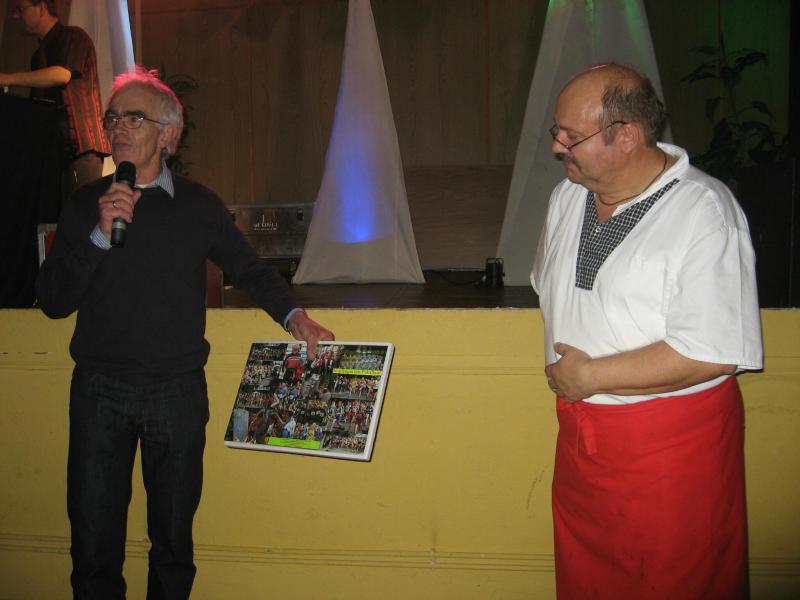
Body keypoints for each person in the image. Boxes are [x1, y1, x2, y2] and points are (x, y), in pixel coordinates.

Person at [35, 67, 334, 599]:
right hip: (99, 391)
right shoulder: (86, 204)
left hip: (175, 392)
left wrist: (295, 316)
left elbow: (250, 269)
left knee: (173, 546)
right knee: (93, 545)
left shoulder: (199, 206)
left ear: (168, 134)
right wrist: (99, 236)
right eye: (113, 117)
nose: (117, 127)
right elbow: (54, 301)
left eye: (134, 117)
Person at [530, 63, 763, 599]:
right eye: (556, 131)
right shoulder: (567, 198)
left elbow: (714, 351)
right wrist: (581, 386)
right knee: (588, 582)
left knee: (677, 581)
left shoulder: (704, 211)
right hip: (582, 441)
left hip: (673, 449)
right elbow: (559, 293)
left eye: (571, 136)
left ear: (627, 136)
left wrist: (590, 376)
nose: (557, 146)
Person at [1, 0, 110, 192]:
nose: (16, 16)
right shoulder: (38, 55)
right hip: (52, 149)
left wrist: (7, 79)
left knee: (81, 206)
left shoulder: (73, 36)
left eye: (21, 9)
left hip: (81, 147)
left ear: (41, 7)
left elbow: (61, 75)